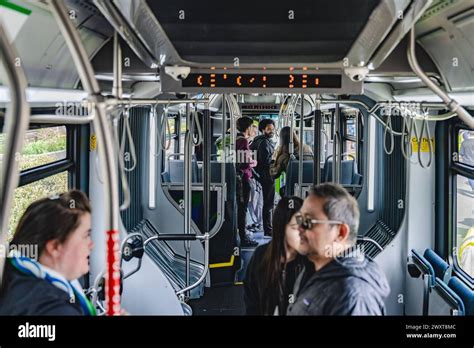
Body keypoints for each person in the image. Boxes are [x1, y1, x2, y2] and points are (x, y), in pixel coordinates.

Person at [287, 183, 390, 315]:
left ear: (340, 232)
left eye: (308, 222)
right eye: (300, 219)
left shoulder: (353, 297)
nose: (299, 228)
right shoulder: (313, 269)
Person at [0, 190, 96, 315]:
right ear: (55, 247)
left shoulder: (12, 274)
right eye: (86, 236)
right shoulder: (56, 309)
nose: (91, 245)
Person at [244, 196, 311, 315]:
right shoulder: (261, 257)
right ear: (282, 228)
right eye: (295, 228)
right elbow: (252, 302)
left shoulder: (310, 262)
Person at [250, 118, 276, 237]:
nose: (271, 131)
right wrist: (275, 159)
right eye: (268, 129)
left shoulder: (256, 141)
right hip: (266, 175)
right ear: (262, 130)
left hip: (259, 175)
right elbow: (266, 161)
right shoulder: (264, 142)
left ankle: (267, 228)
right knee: (268, 204)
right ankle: (268, 229)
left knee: (265, 203)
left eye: (272, 129)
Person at [236, 117, 258, 247]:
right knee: (242, 209)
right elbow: (244, 162)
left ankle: (241, 234)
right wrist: (253, 162)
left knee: (240, 208)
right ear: (248, 127)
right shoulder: (243, 141)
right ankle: (243, 238)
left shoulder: (236, 139)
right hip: (244, 178)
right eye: (251, 127)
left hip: (238, 177)